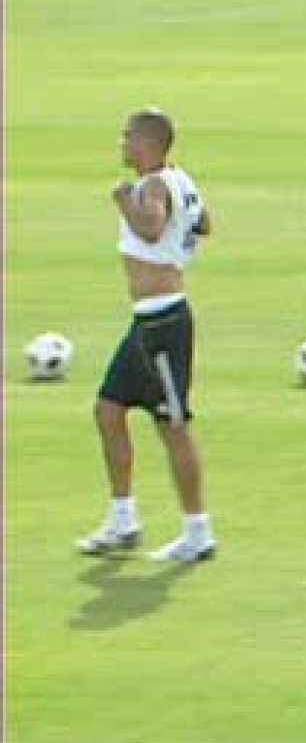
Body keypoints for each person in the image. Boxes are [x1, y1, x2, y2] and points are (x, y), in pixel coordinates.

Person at [77, 109, 217, 563]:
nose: (122, 144)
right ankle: (124, 520)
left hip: (164, 324)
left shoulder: (153, 186)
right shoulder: (180, 179)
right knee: (108, 409)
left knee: (173, 427)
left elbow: (152, 229)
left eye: (127, 137)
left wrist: (124, 200)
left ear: (148, 144)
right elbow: (205, 224)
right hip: (146, 322)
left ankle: (198, 532)